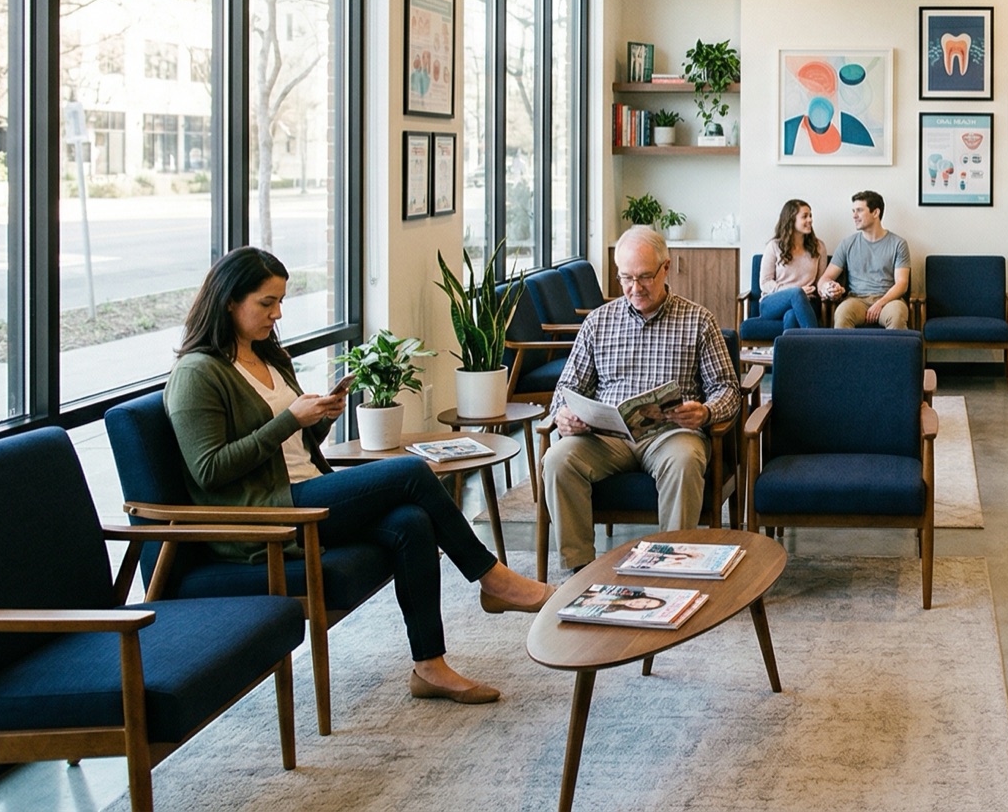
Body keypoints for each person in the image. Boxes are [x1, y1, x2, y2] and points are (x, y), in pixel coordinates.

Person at [164, 247, 552, 706]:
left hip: (305, 490)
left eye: (280, 301)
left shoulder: (267, 356)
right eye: (266, 303)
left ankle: (430, 667)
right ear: (230, 300)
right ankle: (492, 578)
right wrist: (290, 418)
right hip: (268, 516)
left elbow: (292, 445)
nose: (277, 313)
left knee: (410, 521)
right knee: (410, 472)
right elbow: (209, 471)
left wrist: (320, 417)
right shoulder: (197, 374)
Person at [543, 225, 740, 570]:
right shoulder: (597, 322)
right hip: (607, 438)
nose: (636, 288)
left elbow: (728, 389)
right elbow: (566, 388)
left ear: (666, 268)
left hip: (670, 434)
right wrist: (563, 414)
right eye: (626, 278)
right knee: (558, 460)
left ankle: (670, 562)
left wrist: (705, 412)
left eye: (645, 277)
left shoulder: (698, 320)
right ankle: (580, 568)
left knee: (685, 460)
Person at [817, 190, 912, 329]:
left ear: (875, 213)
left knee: (897, 316)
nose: (854, 216)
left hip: (889, 300)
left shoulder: (898, 244)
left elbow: (902, 284)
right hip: (856, 300)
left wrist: (880, 303)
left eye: (859, 210)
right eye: (853, 211)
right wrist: (827, 288)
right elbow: (824, 279)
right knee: (842, 314)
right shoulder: (847, 244)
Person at [757, 198, 825, 331]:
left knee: (791, 316)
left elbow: (820, 282)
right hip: (772, 302)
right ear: (791, 220)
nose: (810, 220)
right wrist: (795, 290)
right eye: (804, 216)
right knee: (796, 293)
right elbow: (765, 282)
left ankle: (786, 351)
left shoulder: (819, 247)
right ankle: (818, 344)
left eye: (810, 216)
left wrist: (829, 288)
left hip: (805, 303)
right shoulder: (774, 246)